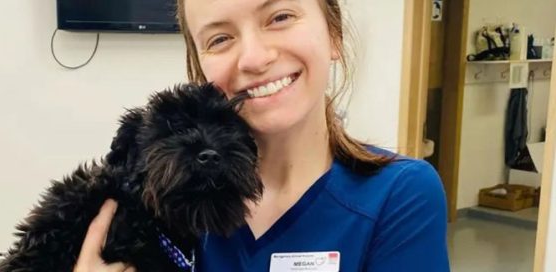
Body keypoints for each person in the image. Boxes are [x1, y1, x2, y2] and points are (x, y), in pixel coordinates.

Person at [74, 0, 450, 271]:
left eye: (280, 16)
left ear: (333, 34)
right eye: (220, 39)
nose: (254, 58)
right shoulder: (169, 195)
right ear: (199, 66)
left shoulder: (399, 196)